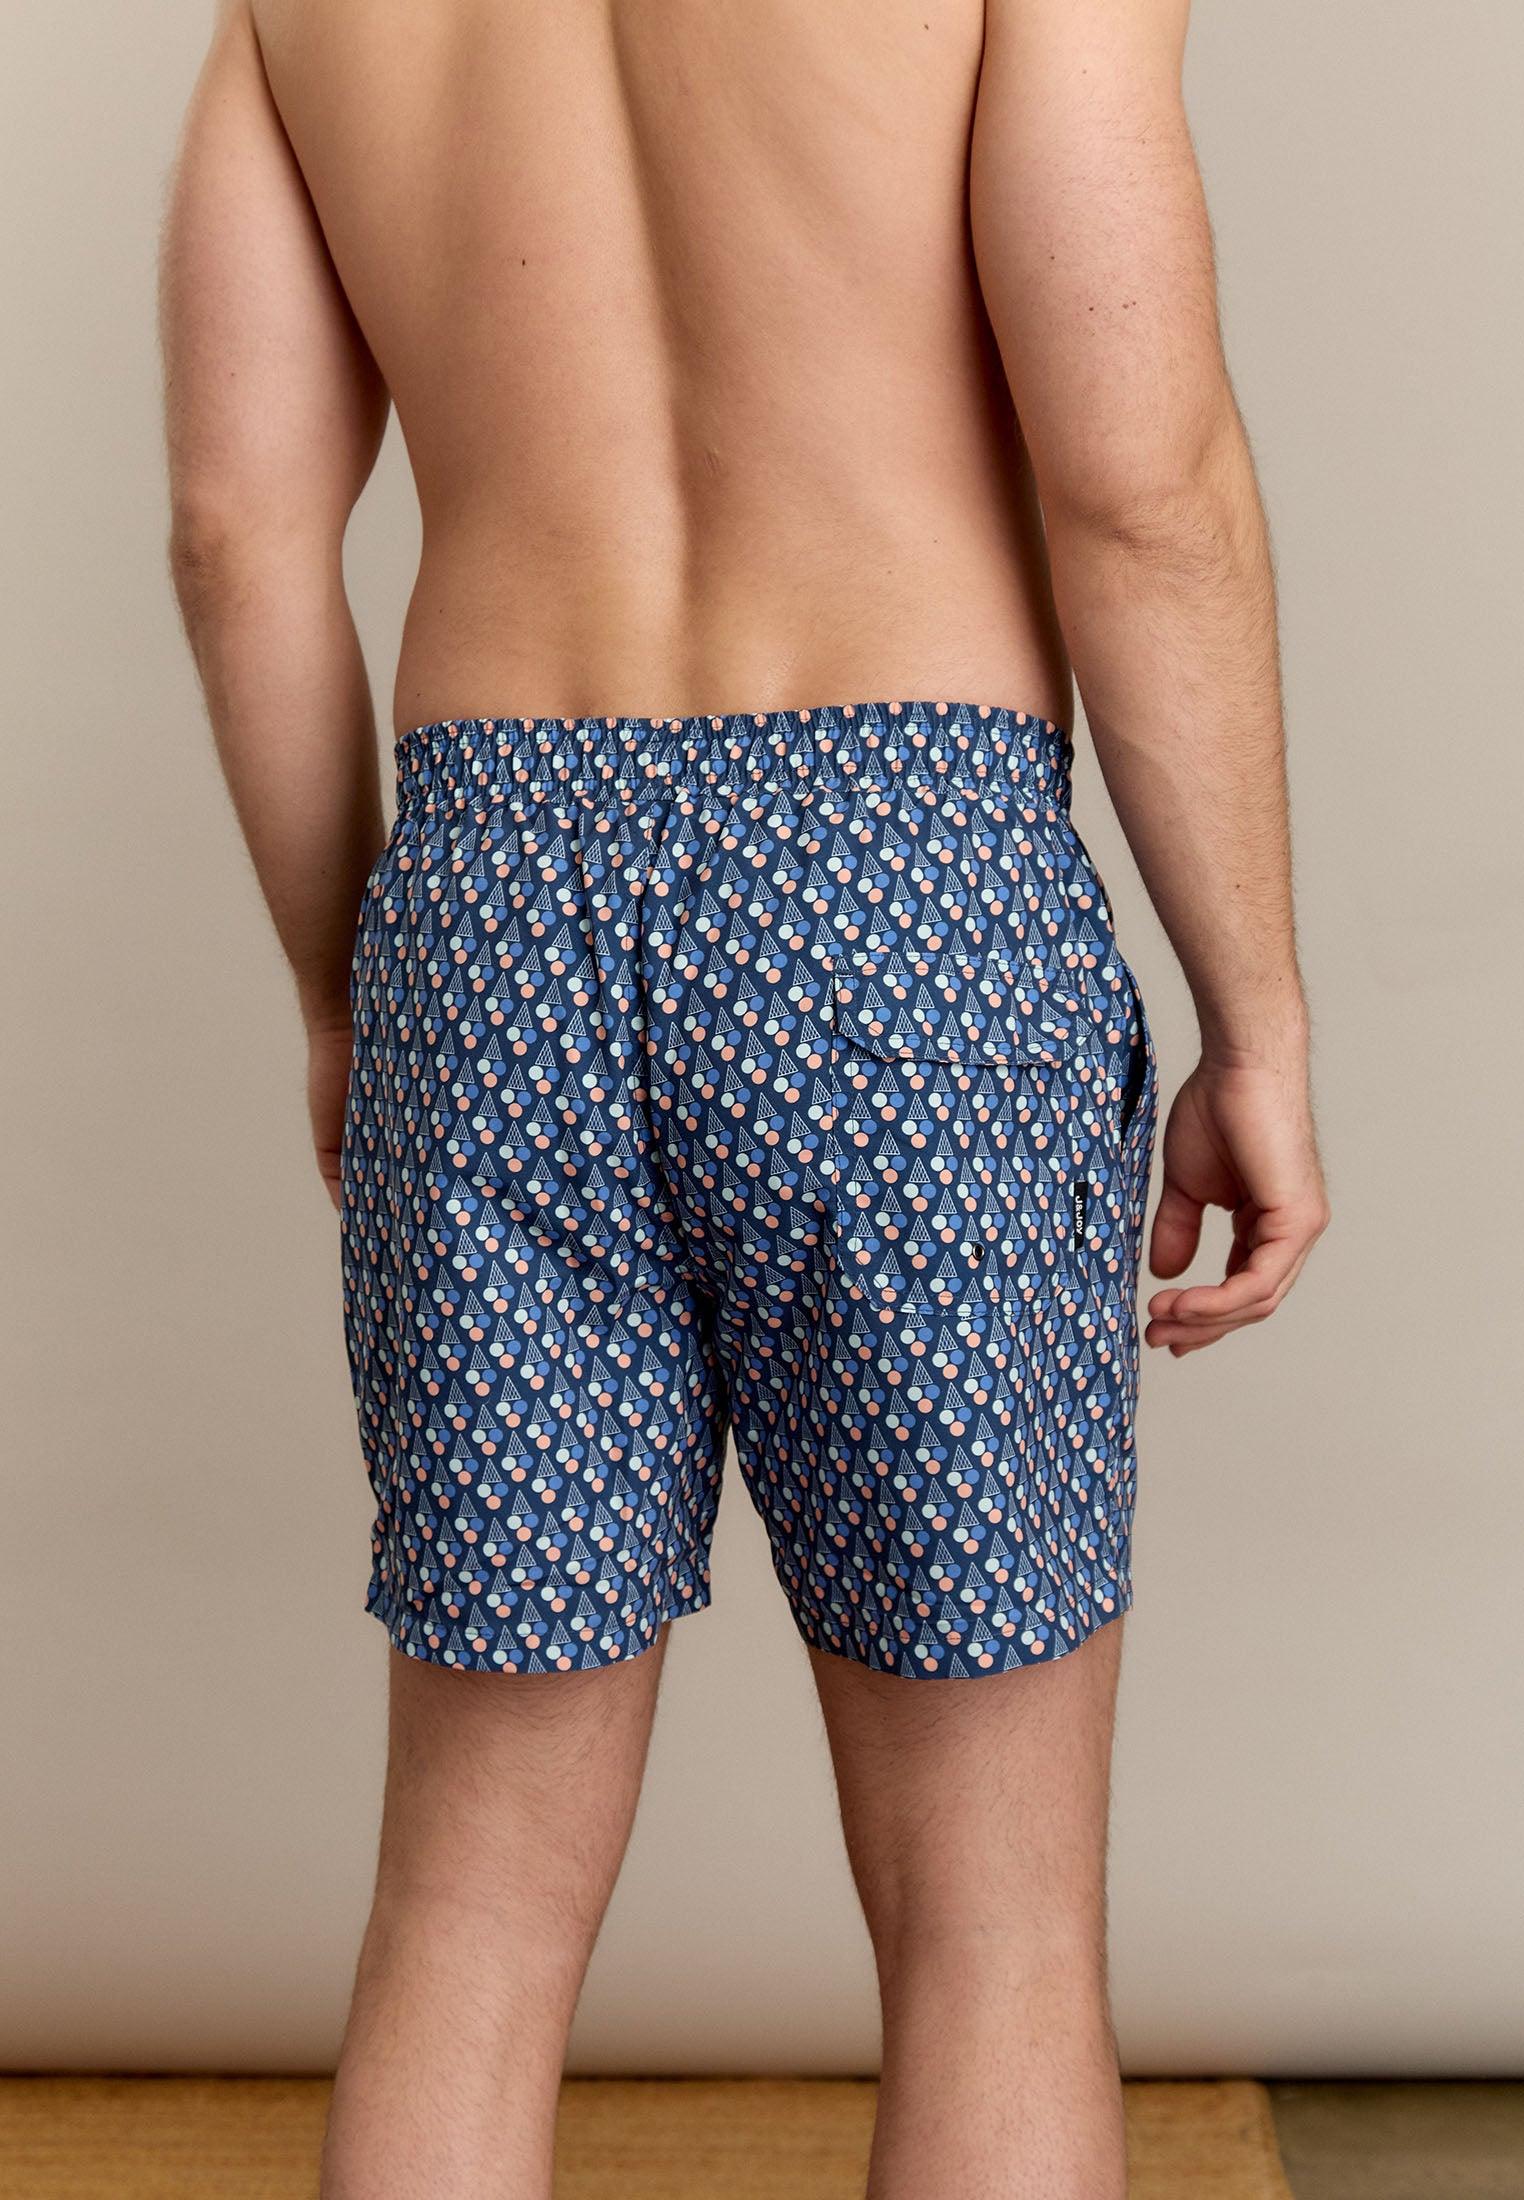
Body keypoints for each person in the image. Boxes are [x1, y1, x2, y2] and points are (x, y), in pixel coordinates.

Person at [159, 0, 1328, 2192]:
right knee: (990, 1927)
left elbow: (239, 531)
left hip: (487, 899)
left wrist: (341, 984)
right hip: (910, 891)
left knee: (469, 1909)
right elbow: (1138, 478)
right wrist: (1254, 1017)